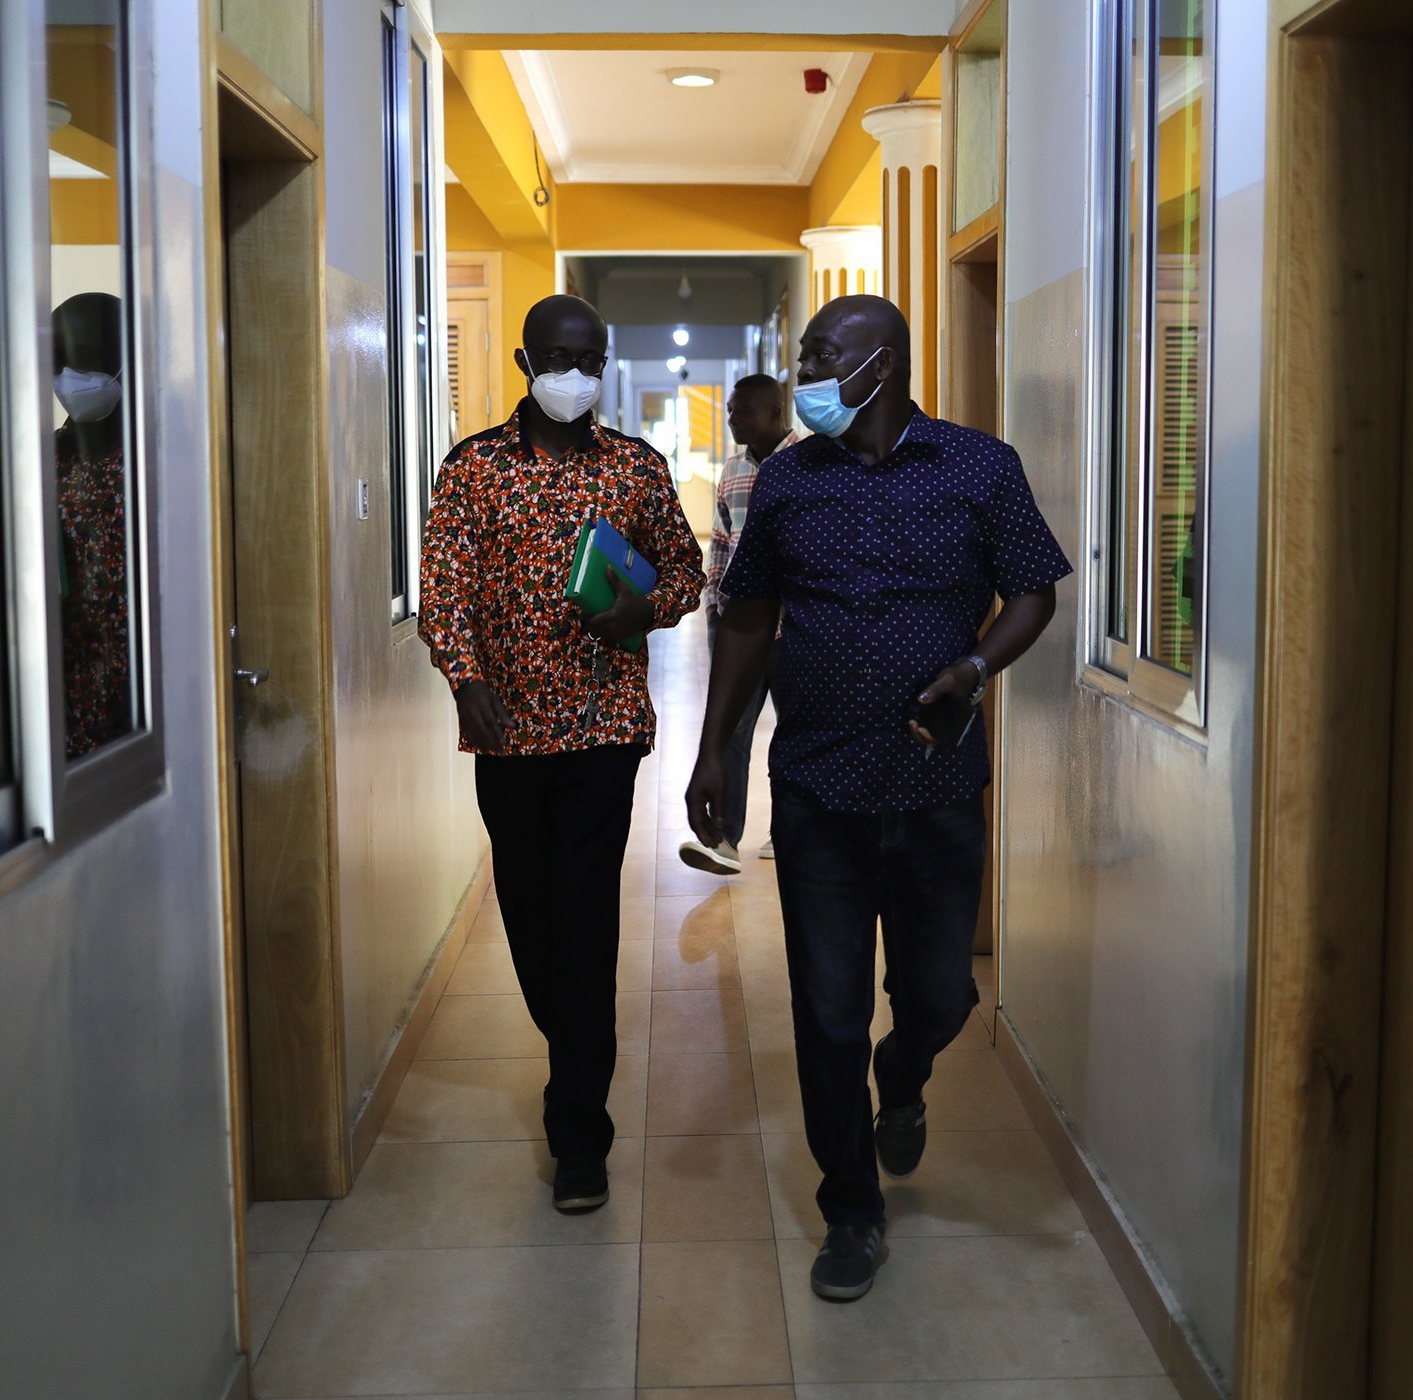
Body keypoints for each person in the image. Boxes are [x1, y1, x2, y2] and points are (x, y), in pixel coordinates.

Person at [686, 295, 1072, 1300]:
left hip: (938, 788)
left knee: (941, 996)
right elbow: (748, 617)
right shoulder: (784, 481)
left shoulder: (978, 466)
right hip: (817, 785)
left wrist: (976, 669)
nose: (806, 365)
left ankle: (905, 1075)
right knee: (825, 1014)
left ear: (883, 362)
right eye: (807, 350)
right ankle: (850, 1210)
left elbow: (1035, 589)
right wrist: (714, 751)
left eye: (822, 351)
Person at [422, 294, 702, 1213]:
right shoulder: (472, 470)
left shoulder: (635, 467)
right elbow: (444, 589)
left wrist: (645, 610)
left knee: (584, 921)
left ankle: (580, 1128)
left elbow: (686, 570)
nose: (573, 374)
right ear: (523, 359)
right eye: (557, 356)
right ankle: (568, 1037)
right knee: (531, 918)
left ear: (605, 362)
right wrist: (467, 680)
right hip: (506, 733)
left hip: (602, 729)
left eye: (590, 357)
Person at [677, 373, 794, 876]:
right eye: (729, 410)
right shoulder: (732, 471)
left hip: (794, 631)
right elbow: (720, 546)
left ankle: (790, 831)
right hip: (742, 630)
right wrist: (714, 612)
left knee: (795, 735)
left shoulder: (810, 463)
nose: (731, 418)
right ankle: (723, 837)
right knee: (732, 734)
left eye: (741, 411)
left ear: (773, 411)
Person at [51, 292, 133, 758]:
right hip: (65, 686)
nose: (66, 378)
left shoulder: (160, 459)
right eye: (58, 362)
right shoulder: (39, 460)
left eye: (77, 360)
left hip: (142, 691)